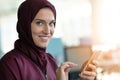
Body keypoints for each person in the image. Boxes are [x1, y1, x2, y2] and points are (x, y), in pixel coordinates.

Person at [0, 0, 97, 80]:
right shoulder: (10, 64)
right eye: (39, 23)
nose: (47, 31)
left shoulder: (50, 60)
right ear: (25, 25)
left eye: (51, 23)